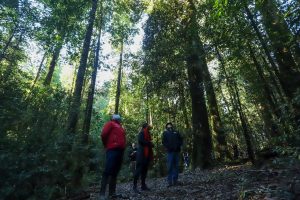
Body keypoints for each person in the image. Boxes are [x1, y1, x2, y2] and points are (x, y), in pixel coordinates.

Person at [99, 114, 126, 200]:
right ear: (113, 118)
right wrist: (106, 145)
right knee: (107, 171)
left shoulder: (120, 127)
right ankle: (102, 194)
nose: (119, 117)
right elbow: (103, 134)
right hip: (112, 150)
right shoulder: (110, 123)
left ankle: (112, 193)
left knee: (115, 172)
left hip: (120, 151)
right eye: (117, 117)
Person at [133, 123, 154, 193]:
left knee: (144, 171)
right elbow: (141, 141)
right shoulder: (141, 133)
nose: (149, 127)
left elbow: (149, 142)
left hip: (147, 155)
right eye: (147, 126)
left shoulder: (148, 133)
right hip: (141, 155)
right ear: (145, 127)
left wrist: (151, 144)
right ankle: (135, 186)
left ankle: (143, 185)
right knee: (138, 170)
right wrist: (149, 144)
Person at [162, 122, 183, 187]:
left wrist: (178, 145)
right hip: (170, 152)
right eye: (168, 126)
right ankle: (170, 182)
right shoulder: (165, 133)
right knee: (170, 166)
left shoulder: (176, 132)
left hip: (176, 151)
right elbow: (164, 142)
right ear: (166, 127)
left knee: (176, 166)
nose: (169, 127)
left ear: (172, 126)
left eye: (170, 126)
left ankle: (175, 181)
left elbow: (180, 140)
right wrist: (168, 147)